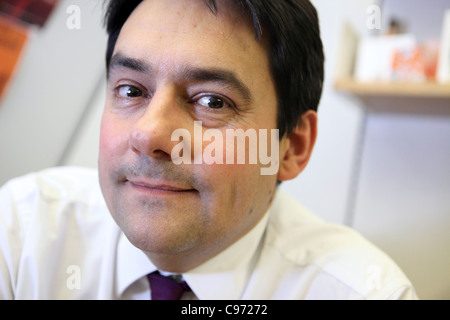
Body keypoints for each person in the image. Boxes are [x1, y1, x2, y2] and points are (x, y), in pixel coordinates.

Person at [0, 0, 417, 299]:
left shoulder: (362, 291)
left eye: (212, 102)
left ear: (291, 146)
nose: (150, 136)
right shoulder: (24, 234)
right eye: (131, 90)